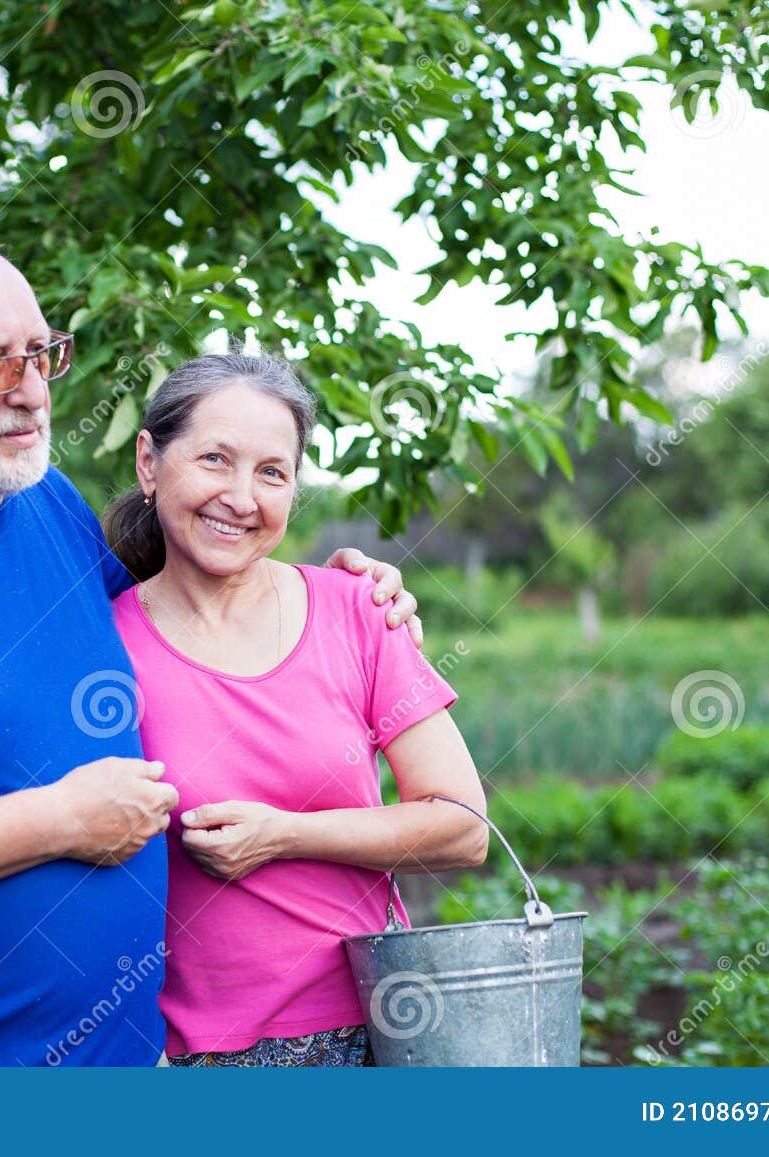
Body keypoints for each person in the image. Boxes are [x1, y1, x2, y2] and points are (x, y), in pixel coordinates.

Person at [0, 237, 422, 1066]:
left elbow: (184, 613)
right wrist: (56, 821)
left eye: (43, 354)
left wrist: (342, 596)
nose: (31, 394)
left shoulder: (44, 501)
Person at [103, 352, 489, 1067]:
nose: (242, 497)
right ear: (149, 462)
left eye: (272, 472)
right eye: (215, 459)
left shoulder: (358, 610)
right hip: (198, 1058)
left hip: (385, 1030)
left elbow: (464, 827)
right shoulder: (102, 647)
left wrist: (284, 834)